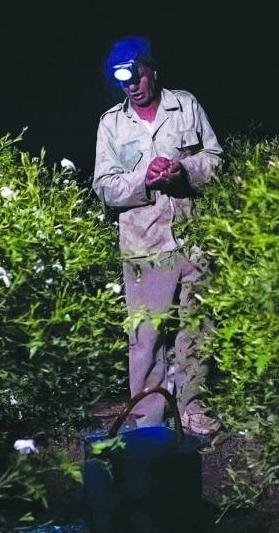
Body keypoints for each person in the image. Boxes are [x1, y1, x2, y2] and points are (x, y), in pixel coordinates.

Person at [93, 36, 223, 436]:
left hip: (192, 236)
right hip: (143, 244)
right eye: (122, 80)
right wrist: (143, 179)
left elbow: (215, 160)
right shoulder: (111, 123)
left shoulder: (185, 105)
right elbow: (104, 185)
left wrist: (184, 171)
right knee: (146, 336)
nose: (131, 85)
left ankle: (193, 411)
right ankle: (147, 420)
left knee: (197, 329)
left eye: (136, 75)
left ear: (152, 71)